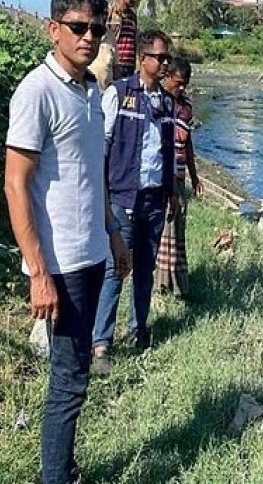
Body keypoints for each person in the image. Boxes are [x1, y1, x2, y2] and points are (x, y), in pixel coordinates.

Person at [4, 0, 130, 484]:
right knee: (68, 380)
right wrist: (37, 272)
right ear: (53, 29)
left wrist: (112, 232)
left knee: (74, 375)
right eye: (78, 27)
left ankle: (65, 470)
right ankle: (55, 477)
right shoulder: (37, 90)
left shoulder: (91, 91)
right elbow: (16, 184)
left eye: (96, 29)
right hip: (58, 263)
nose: (88, 37)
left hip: (93, 252)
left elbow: (93, 171)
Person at [92, 29, 178, 372]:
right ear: (143, 58)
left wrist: (174, 190)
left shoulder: (167, 102)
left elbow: (169, 151)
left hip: (155, 201)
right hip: (123, 198)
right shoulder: (119, 93)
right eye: (160, 57)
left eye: (167, 57)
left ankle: (140, 330)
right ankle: (101, 345)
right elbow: (102, 147)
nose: (165, 63)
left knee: (146, 270)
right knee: (117, 270)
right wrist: (104, 195)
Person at [155, 57, 203, 298]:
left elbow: (188, 144)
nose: (181, 88)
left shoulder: (185, 107)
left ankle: (174, 282)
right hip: (160, 177)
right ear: (167, 77)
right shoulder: (157, 102)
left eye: (185, 83)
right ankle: (158, 283)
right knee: (161, 228)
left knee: (177, 227)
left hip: (180, 176)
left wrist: (195, 178)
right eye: (178, 82)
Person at [112, 0, 138, 80]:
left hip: (129, 65)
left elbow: (134, 40)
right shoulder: (112, 14)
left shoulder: (132, 16)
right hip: (116, 64)